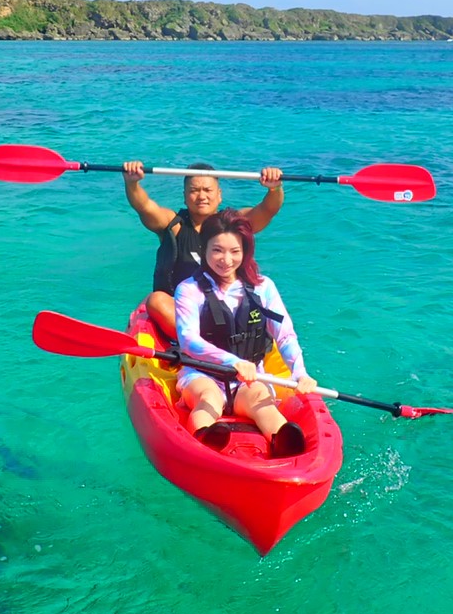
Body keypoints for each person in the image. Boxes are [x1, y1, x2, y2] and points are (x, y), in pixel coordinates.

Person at [173, 210, 317, 457]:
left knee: (260, 398)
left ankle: (283, 442)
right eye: (217, 250)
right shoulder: (189, 289)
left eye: (235, 251)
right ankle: (205, 439)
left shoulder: (263, 287)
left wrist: (300, 372)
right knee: (208, 398)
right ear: (204, 248)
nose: (226, 260)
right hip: (203, 373)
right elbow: (188, 340)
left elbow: (284, 335)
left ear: (245, 251)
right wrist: (234, 362)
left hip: (248, 377)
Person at [123, 159, 283, 340]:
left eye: (207, 190)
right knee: (157, 300)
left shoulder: (233, 225)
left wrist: (274, 188)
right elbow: (143, 206)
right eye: (194, 191)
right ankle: (199, 344)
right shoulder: (173, 225)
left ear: (219, 194)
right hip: (184, 313)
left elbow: (268, 209)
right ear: (184, 196)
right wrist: (132, 183)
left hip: (226, 311)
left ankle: (226, 342)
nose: (201, 196)